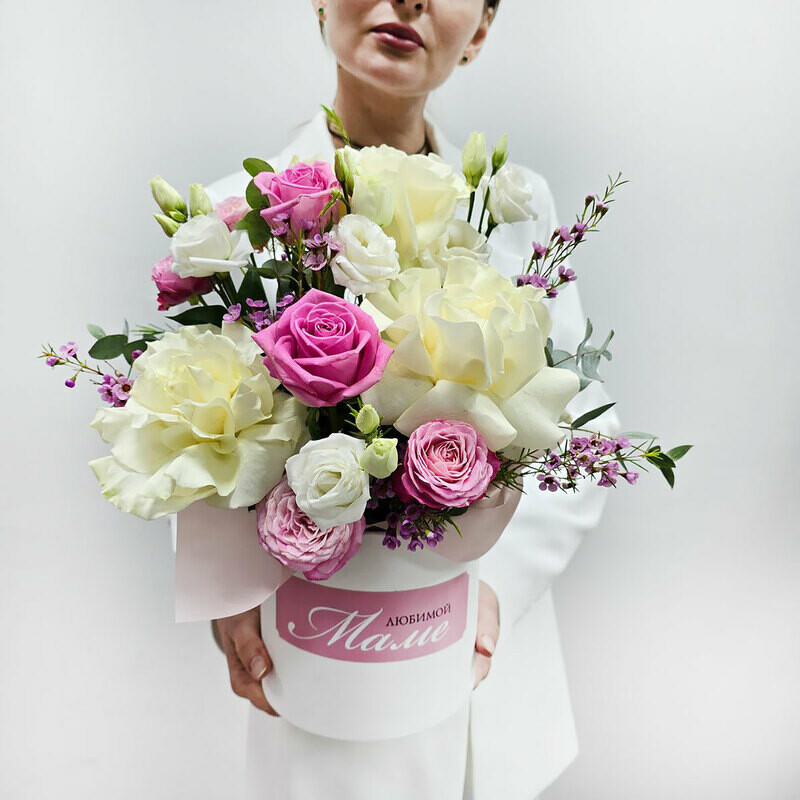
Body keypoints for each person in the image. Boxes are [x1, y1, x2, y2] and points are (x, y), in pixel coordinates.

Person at [203, 1, 621, 797]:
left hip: (480, 652)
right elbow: (196, 438)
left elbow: (577, 427)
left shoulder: (516, 206)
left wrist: (495, 592)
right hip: (321, 649)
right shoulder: (230, 218)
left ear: (482, 31)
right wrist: (226, 594)